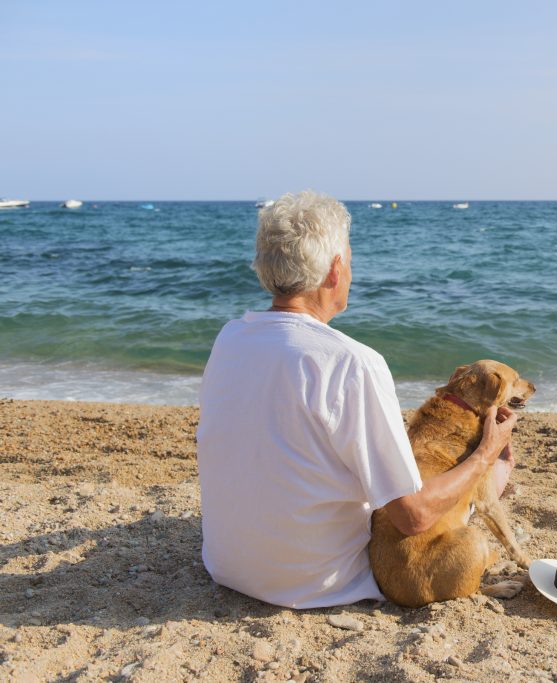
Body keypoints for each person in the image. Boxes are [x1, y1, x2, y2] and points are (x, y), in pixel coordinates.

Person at [197, 191, 518, 609]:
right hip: (314, 583)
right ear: (335, 269)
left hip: (227, 566)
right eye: (349, 259)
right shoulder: (352, 362)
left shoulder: (230, 338)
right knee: (468, 482)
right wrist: (486, 452)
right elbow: (413, 517)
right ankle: (498, 466)